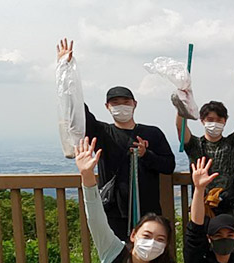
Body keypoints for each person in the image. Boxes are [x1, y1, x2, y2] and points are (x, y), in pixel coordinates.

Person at [57, 39, 175, 241]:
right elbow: (78, 110)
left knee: (150, 258)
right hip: (114, 212)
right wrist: (65, 71)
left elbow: (168, 165)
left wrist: (147, 155)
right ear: (107, 107)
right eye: (115, 103)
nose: (121, 107)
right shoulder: (102, 132)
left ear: (135, 104)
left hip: (149, 213)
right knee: (120, 261)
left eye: (125, 102)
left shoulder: (153, 133)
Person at [176, 60, 234, 261]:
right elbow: (180, 128)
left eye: (218, 120)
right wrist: (183, 102)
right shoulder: (194, 145)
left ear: (225, 121)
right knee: (202, 250)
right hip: (203, 207)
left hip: (230, 206)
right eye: (209, 119)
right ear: (201, 121)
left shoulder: (231, 143)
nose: (214, 123)